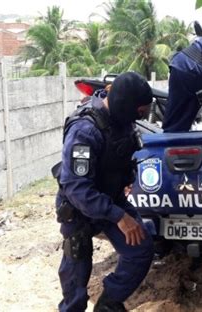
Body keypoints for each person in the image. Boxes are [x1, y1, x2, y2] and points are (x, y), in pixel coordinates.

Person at [53, 72, 154, 311]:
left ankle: (108, 305)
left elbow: (125, 156)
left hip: (110, 199)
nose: (143, 116)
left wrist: (129, 180)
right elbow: (77, 187)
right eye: (141, 111)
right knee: (76, 278)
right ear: (126, 105)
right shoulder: (85, 130)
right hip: (79, 208)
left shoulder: (122, 121)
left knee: (141, 249)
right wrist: (119, 216)